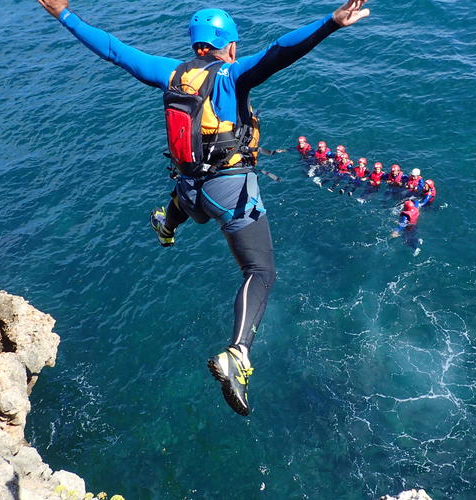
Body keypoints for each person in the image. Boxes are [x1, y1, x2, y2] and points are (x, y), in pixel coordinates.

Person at [37, 0, 370, 416]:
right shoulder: (231, 76)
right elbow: (279, 51)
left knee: (188, 208)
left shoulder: (171, 74)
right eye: (234, 43)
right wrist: (330, 23)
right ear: (227, 46)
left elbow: (113, 49)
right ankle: (238, 354)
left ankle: (165, 221)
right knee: (261, 272)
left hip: (191, 188)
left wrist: (63, 14)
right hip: (229, 191)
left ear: (197, 46)